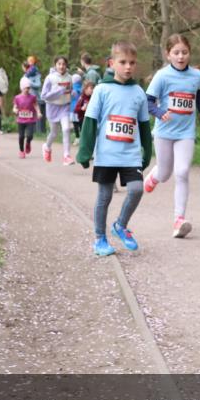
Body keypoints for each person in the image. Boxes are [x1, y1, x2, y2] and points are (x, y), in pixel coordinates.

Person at [76, 42, 153, 256]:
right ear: (111, 63)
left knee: (137, 189)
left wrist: (147, 152)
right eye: (123, 62)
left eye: (132, 63)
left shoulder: (138, 92)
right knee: (105, 196)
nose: (128, 67)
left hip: (130, 155)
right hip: (107, 155)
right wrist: (84, 151)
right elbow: (90, 122)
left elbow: (145, 126)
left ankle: (120, 225)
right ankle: (100, 239)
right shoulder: (101, 90)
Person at [142, 34, 200, 238]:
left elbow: (196, 96)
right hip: (164, 132)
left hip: (186, 133)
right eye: (176, 53)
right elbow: (147, 101)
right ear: (168, 55)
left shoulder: (196, 75)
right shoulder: (162, 76)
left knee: (181, 172)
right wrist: (159, 113)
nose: (181, 56)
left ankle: (179, 220)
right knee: (165, 174)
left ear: (189, 53)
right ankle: (155, 176)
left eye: (184, 52)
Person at [41, 55, 75, 165]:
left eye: (64, 64)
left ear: (66, 65)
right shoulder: (50, 78)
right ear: (55, 65)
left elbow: (70, 90)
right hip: (52, 107)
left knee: (66, 129)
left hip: (64, 107)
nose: (61, 66)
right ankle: (47, 147)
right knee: (54, 133)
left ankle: (66, 156)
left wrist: (73, 93)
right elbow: (44, 96)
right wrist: (59, 91)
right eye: (59, 64)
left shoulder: (69, 77)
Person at [13, 76, 40, 158]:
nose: (27, 89)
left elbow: (36, 105)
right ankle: (21, 151)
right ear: (22, 88)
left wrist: (38, 112)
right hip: (21, 120)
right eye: (25, 88)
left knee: (30, 135)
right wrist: (15, 110)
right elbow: (15, 106)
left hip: (30, 120)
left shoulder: (32, 97)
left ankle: (28, 143)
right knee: (21, 136)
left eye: (28, 88)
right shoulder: (17, 97)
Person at [23, 56, 45, 133]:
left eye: (31, 60)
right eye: (28, 60)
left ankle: (38, 130)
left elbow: (37, 84)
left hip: (35, 97)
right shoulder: (30, 71)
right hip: (29, 97)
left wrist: (28, 81)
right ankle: (30, 129)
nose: (29, 62)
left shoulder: (34, 69)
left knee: (36, 111)